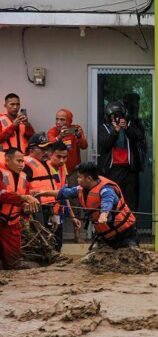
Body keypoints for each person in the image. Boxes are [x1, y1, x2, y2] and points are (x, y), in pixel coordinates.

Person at [37, 161, 138, 249]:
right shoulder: (81, 189)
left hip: (125, 235)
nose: (78, 180)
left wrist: (104, 215)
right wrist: (43, 193)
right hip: (106, 237)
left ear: (89, 178)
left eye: (80, 177)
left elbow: (107, 202)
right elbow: (63, 193)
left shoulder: (106, 189)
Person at [98, 101, 146, 212]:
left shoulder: (129, 125)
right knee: (113, 198)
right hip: (112, 170)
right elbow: (105, 144)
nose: (117, 118)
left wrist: (127, 128)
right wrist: (115, 131)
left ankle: (130, 225)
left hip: (129, 170)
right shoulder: (104, 128)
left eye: (119, 115)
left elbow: (139, 137)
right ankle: (113, 225)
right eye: (114, 116)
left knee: (130, 201)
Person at [47, 109, 87, 242]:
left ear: (69, 120)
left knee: (76, 202)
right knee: (56, 200)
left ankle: (78, 235)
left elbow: (84, 146)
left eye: (62, 119)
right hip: (57, 171)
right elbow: (50, 144)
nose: (59, 122)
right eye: (57, 119)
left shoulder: (76, 129)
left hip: (74, 173)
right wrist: (59, 137)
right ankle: (54, 235)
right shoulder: (53, 131)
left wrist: (79, 136)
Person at [0, 149, 40, 269]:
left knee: (13, 264)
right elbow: (1, 195)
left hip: (12, 225)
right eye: (18, 161)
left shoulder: (24, 179)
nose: (22, 164)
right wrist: (24, 197)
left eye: (23, 161)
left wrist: (26, 208)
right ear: (7, 160)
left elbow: (23, 203)